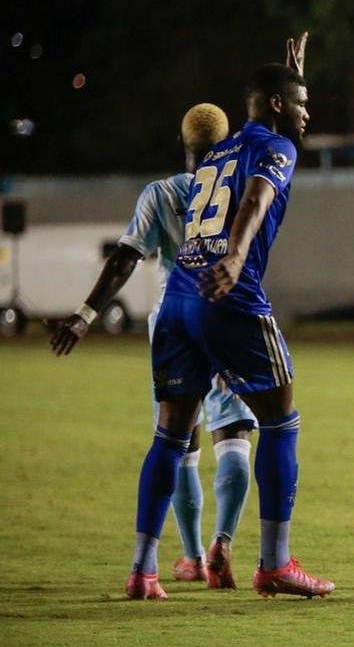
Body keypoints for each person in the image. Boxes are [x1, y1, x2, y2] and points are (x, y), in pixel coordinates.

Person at [127, 51, 334, 600]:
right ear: (275, 105)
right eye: (300, 103)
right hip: (229, 294)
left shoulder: (219, 150)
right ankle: (275, 564)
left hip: (177, 300)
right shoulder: (277, 146)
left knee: (171, 435)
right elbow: (257, 197)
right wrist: (239, 254)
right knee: (281, 419)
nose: (306, 114)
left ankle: (142, 571)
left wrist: (294, 77)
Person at [50, 104, 257, 589]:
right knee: (234, 436)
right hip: (228, 314)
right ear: (225, 144)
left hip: (175, 320)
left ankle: (187, 557)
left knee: (177, 441)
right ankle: (222, 542)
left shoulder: (161, 193)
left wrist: (85, 316)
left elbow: (126, 257)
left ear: (183, 145)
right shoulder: (240, 192)